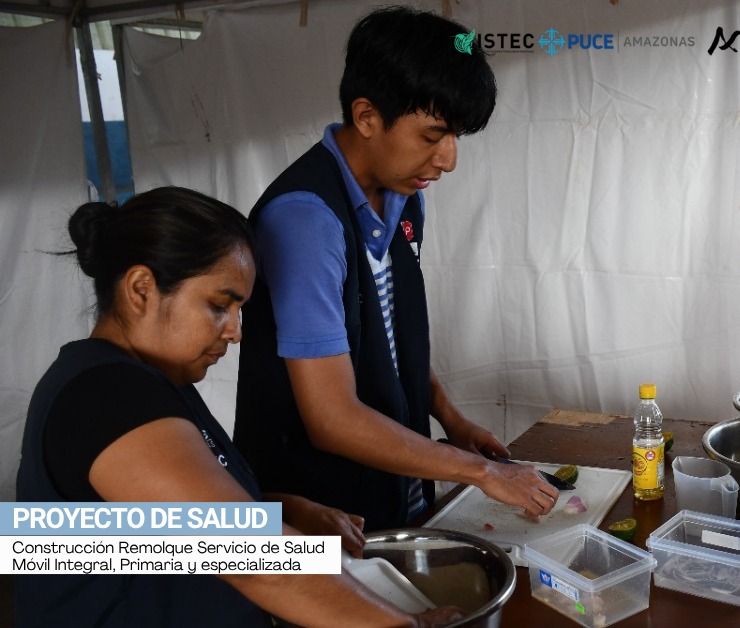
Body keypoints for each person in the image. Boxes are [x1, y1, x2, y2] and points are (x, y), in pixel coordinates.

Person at [16, 187, 462, 627]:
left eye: (238, 310)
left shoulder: (150, 380)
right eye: (218, 306)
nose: (235, 331)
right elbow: (250, 555)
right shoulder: (106, 396)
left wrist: (282, 509)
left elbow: (150, 530)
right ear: (141, 289)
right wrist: (407, 625)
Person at [233, 6, 556, 533]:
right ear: (366, 116)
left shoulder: (403, 197)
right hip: (318, 511)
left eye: (456, 137)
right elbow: (331, 418)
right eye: (432, 136)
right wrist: (479, 471)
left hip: (395, 487)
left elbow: (389, 339)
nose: (448, 159)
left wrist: (449, 418)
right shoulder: (305, 221)